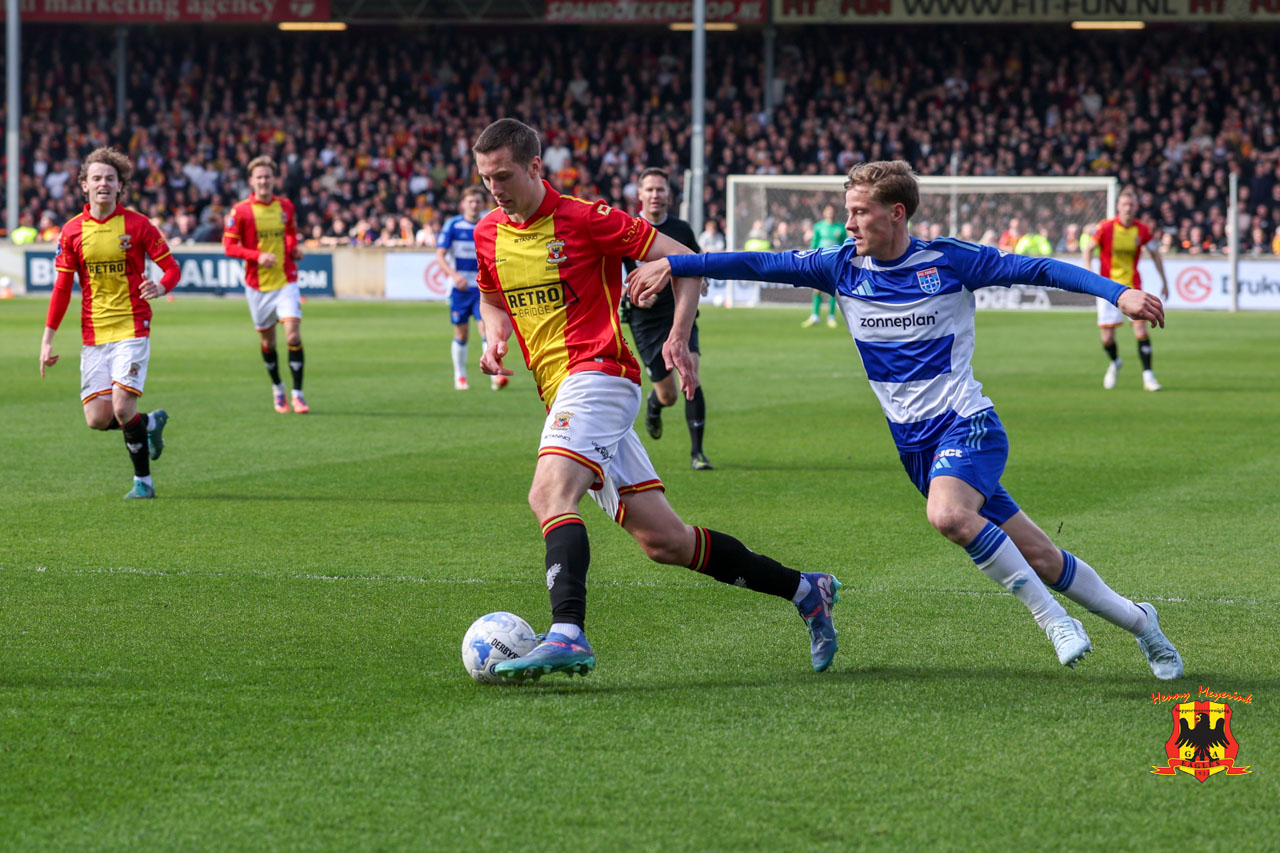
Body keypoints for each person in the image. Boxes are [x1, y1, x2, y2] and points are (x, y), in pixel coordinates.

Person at [629, 160, 1183, 680]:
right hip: (914, 445)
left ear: (896, 213)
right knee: (1038, 554)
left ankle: (1054, 621)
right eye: (847, 210)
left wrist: (1119, 293)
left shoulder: (950, 261)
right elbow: (753, 262)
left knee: (947, 515)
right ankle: (1142, 622)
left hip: (967, 423)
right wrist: (672, 263)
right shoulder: (839, 266)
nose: (848, 223)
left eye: (859, 211)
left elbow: (1039, 267)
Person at [469, 118, 840, 682]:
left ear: (535, 167)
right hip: (559, 391)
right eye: (485, 177)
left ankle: (567, 632)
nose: (494, 187)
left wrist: (677, 338)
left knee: (549, 493)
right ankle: (806, 589)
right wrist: (493, 337)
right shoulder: (488, 233)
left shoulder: (585, 218)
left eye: (503, 175)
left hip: (599, 374)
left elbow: (687, 261)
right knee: (665, 541)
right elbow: (492, 298)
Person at [38, 147, 178, 499]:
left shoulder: (138, 225)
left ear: (120, 186)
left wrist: (160, 287)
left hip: (132, 328)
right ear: (84, 185)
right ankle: (149, 423)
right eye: (97, 178)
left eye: (110, 179)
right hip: (94, 333)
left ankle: (143, 482)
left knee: (120, 406)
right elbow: (61, 287)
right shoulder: (71, 232)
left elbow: (172, 268)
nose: (103, 184)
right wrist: (47, 339)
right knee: (98, 419)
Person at [622, 167, 712, 470]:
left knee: (691, 372)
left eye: (660, 189)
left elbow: (696, 265)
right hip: (645, 320)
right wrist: (631, 294)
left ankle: (697, 453)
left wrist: (702, 281)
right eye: (650, 189)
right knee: (669, 394)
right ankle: (655, 404)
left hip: (679, 313)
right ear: (639, 194)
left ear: (669, 195)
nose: (656, 195)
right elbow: (616, 278)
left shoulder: (682, 229)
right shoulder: (627, 229)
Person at [223, 155, 309, 414]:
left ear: (274, 179)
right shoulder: (241, 211)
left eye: (267, 176)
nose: (263, 181)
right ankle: (278, 388)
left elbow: (291, 233)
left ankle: (298, 393)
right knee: (269, 344)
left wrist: (293, 249)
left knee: (293, 334)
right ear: (251, 181)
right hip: (257, 286)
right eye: (259, 177)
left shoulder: (285, 207)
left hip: (286, 280)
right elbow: (229, 246)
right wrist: (257, 256)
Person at [1082, 190, 1169, 391]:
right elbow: (1088, 250)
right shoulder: (1105, 227)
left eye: (1131, 205)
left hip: (1133, 287)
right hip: (1106, 287)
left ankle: (1149, 376)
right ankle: (1115, 362)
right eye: (1124, 205)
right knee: (1107, 338)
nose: (1128, 208)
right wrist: (1089, 275)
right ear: (1118, 207)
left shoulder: (1142, 230)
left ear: (1135, 207)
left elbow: (1155, 254)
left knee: (1140, 328)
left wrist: (1164, 280)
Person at [437, 185, 506, 391]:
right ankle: (460, 376)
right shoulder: (453, 225)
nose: (474, 205)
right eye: (470, 201)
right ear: (463, 205)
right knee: (462, 334)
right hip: (460, 289)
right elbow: (440, 255)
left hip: (482, 289)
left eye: (477, 201)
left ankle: (494, 376)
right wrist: (454, 275)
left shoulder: (488, 223)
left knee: (485, 329)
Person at [803, 203, 845, 328]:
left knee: (832, 290)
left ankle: (831, 317)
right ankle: (814, 316)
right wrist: (810, 259)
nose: (830, 213)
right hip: (819, 262)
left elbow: (844, 246)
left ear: (835, 213)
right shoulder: (819, 227)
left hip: (834, 263)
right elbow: (814, 243)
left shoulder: (840, 228)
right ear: (824, 213)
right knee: (816, 289)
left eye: (832, 211)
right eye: (827, 211)